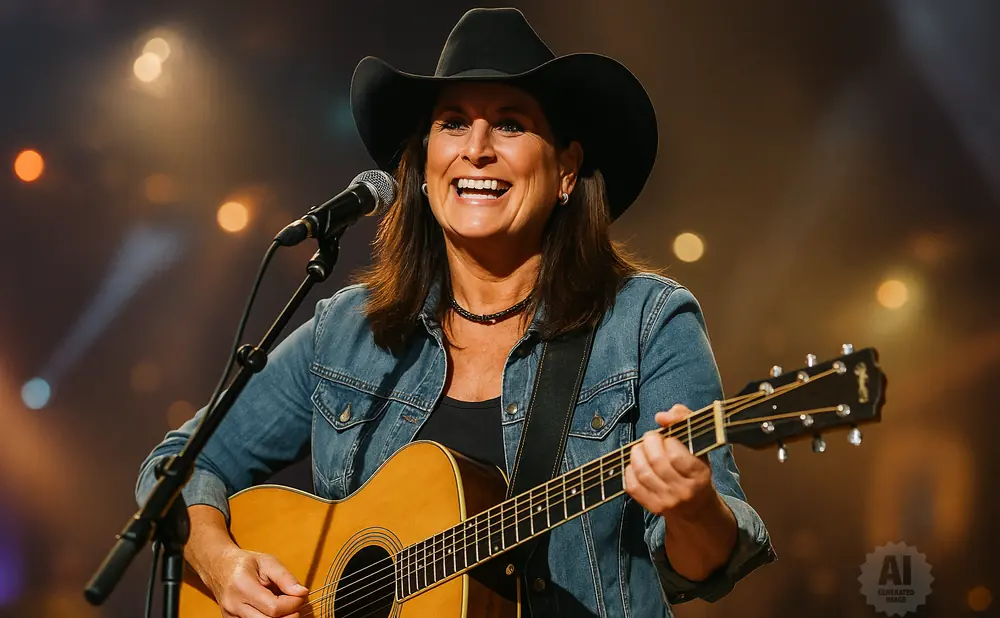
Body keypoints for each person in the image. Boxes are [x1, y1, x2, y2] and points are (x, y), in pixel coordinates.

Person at [136, 7, 776, 618]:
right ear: (420, 167)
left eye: (511, 124)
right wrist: (221, 564)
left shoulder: (644, 323)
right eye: (452, 122)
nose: (477, 148)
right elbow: (177, 465)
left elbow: (710, 565)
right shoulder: (347, 331)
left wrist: (692, 508)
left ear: (564, 171)